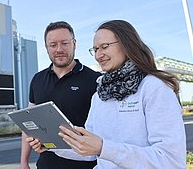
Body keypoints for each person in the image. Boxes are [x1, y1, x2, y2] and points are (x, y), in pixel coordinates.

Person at [57, 20, 187, 168]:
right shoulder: (99, 95)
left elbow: (170, 161)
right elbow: (89, 150)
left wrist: (103, 148)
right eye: (95, 49)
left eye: (104, 47)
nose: (99, 55)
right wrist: (51, 144)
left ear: (127, 44)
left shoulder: (154, 88)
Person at [20, 21, 101, 169]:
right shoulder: (37, 79)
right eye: (53, 45)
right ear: (46, 48)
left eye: (64, 43)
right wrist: (24, 162)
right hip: (46, 164)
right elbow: (27, 123)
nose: (59, 49)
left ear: (74, 44)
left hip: (85, 165)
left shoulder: (94, 80)